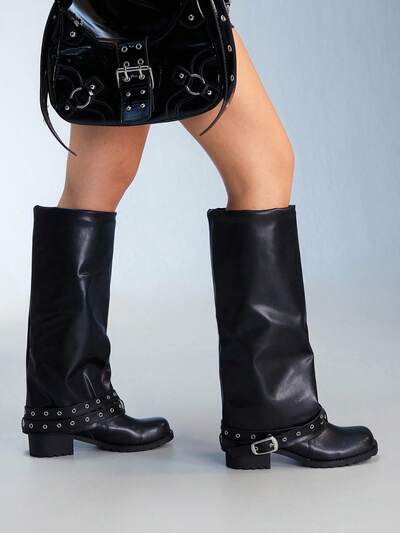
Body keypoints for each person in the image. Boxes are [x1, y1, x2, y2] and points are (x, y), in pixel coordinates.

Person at [23, 1, 378, 468]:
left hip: (111, 11)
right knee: (264, 168)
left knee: (95, 185)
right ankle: (273, 415)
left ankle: (63, 403)